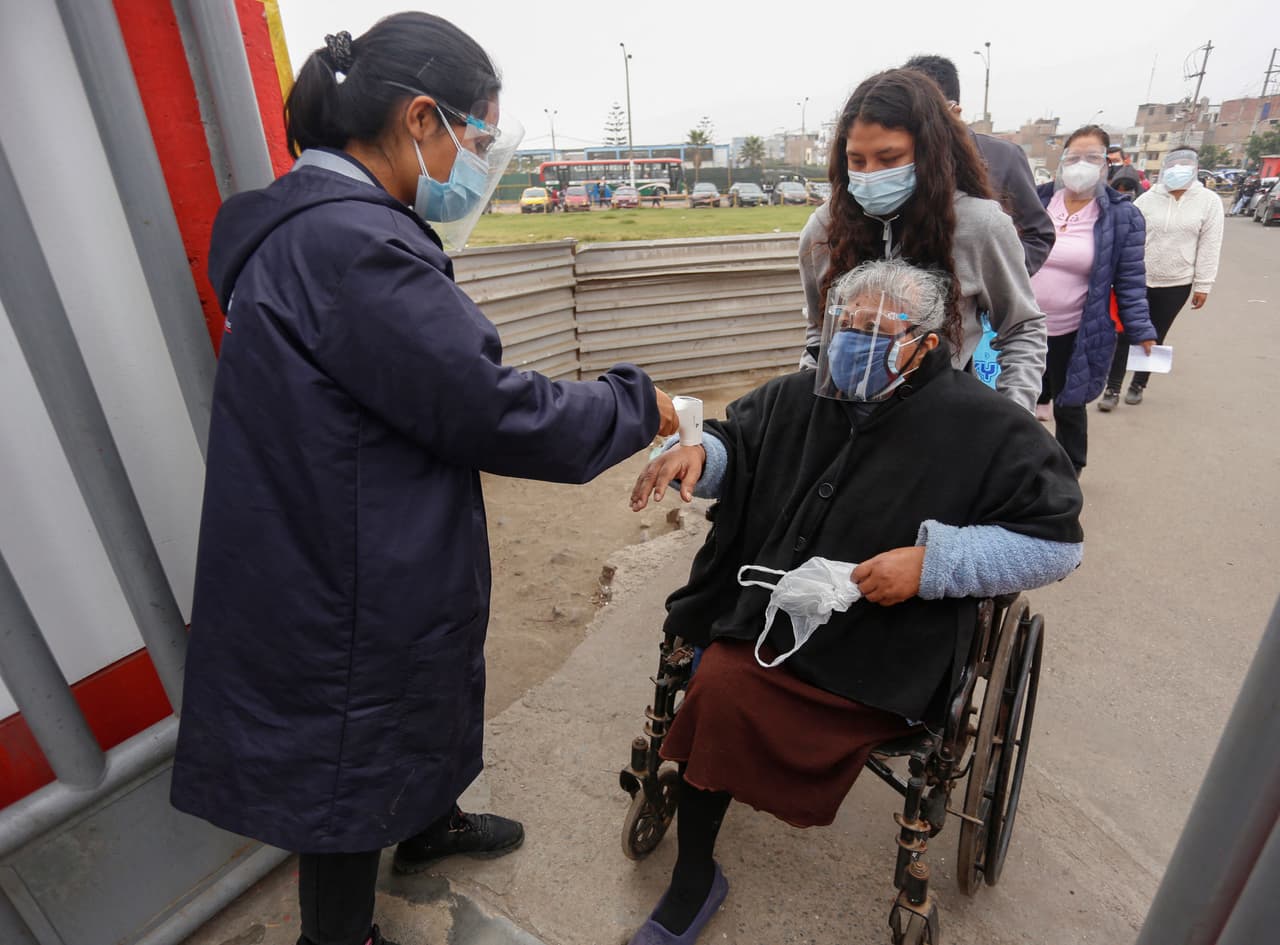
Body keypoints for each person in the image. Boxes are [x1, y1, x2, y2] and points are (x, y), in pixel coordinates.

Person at [168, 15, 679, 945]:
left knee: (421, 686)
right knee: (348, 748)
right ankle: (339, 934)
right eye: (475, 139)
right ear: (418, 120)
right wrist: (636, 404)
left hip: (343, 520)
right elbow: (493, 409)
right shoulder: (352, 248)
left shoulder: (302, 224)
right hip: (351, 554)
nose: (478, 162)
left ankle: (429, 821)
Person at [625, 259, 1084, 944]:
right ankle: (695, 876)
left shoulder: (988, 427)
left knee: (735, 687)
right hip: (774, 619)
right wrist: (701, 455)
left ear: (927, 342)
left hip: (890, 643)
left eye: (876, 328)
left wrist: (935, 563)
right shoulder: (798, 397)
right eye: (846, 323)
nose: (854, 338)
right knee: (716, 684)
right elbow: (736, 446)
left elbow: (1057, 544)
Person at [798, 69, 1047, 414]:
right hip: (846, 426)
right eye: (857, 160)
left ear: (931, 151)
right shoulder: (824, 228)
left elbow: (1021, 328)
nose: (870, 174)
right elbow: (817, 331)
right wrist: (811, 416)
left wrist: (1012, 422)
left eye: (889, 159)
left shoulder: (980, 225)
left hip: (942, 425)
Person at [1030, 125, 1156, 472]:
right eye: (1073, 157)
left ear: (1105, 166)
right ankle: (1019, 468)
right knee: (1017, 400)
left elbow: (1130, 279)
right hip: (1021, 324)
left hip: (1075, 329)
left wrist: (1141, 328)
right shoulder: (1036, 200)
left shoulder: (1121, 216)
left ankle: (1070, 471)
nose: (1080, 165)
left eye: (1091, 157)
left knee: (1069, 404)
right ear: (1062, 162)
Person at [903, 55, 1055, 276]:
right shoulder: (901, 156)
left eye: (926, 116)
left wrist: (998, 279)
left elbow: (1038, 234)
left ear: (953, 110)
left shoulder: (1003, 157)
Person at [1101, 147, 1224, 410]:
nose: (1179, 169)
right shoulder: (1148, 199)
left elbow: (1210, 244)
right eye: (1174, 164)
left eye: (1185, 164)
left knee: (1155, 333)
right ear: (1166, 168)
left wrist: (1204, 284)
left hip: (1176, 281)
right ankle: (1112, 387)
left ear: (1194, 169)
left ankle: (1139, 383)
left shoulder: (1208, 201)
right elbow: (1126, 235)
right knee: (1125, 332)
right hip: (1137, 278)